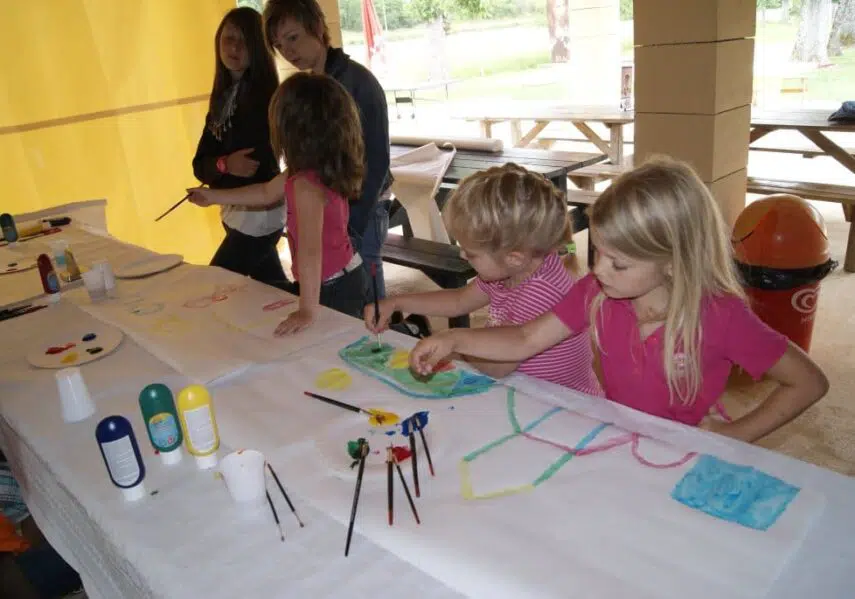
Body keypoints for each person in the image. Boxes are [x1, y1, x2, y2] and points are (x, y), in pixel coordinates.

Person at [408, 157, 829, 443]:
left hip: (690, 451)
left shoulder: (722, 317)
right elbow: (522, 340)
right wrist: (455, 342)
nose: (599, 270)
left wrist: (733, 435)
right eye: (598, 252)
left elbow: (809, 382)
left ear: (672, 260)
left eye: (619, 263)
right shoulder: (598, 292)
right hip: (621, 437)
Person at [365, 164, 602, 395]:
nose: (462, 254)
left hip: (558, 405)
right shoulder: (513, 268)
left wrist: (454, 347)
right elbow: (458, 301)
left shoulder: (543, 291)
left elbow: (497, 367)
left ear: (514, 257)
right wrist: (399, 302)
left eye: (471, 252)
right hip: (522, 390)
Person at [189, 72, 369, 335]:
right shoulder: (306, 171)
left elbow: (310, 250)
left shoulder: (307, 184)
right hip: (339, 279)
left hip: (334, 287)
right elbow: (264, 193)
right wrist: (212, 196)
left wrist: (307, 309)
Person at [263, 0, 392, 301]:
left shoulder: (359, 82)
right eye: (279, 45)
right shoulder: (309, 85)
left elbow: (377, 161)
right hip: (333, 209)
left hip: (364, 207)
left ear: (318, 27)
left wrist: (353, 224)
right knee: (338, 297)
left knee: (369, 297)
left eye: (293, 37)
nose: (288, 51)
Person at [192, 7, 286, 286]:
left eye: (245, 41)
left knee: (213, 285)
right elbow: (200, 164)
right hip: (235, 212)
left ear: (258, 47)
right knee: (275, 291)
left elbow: (253, 170)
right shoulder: (222, 99)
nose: (234, 47)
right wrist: (224, 164)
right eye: (229, 38)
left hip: (258, 218)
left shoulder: (264, 98)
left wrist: (219, 169)